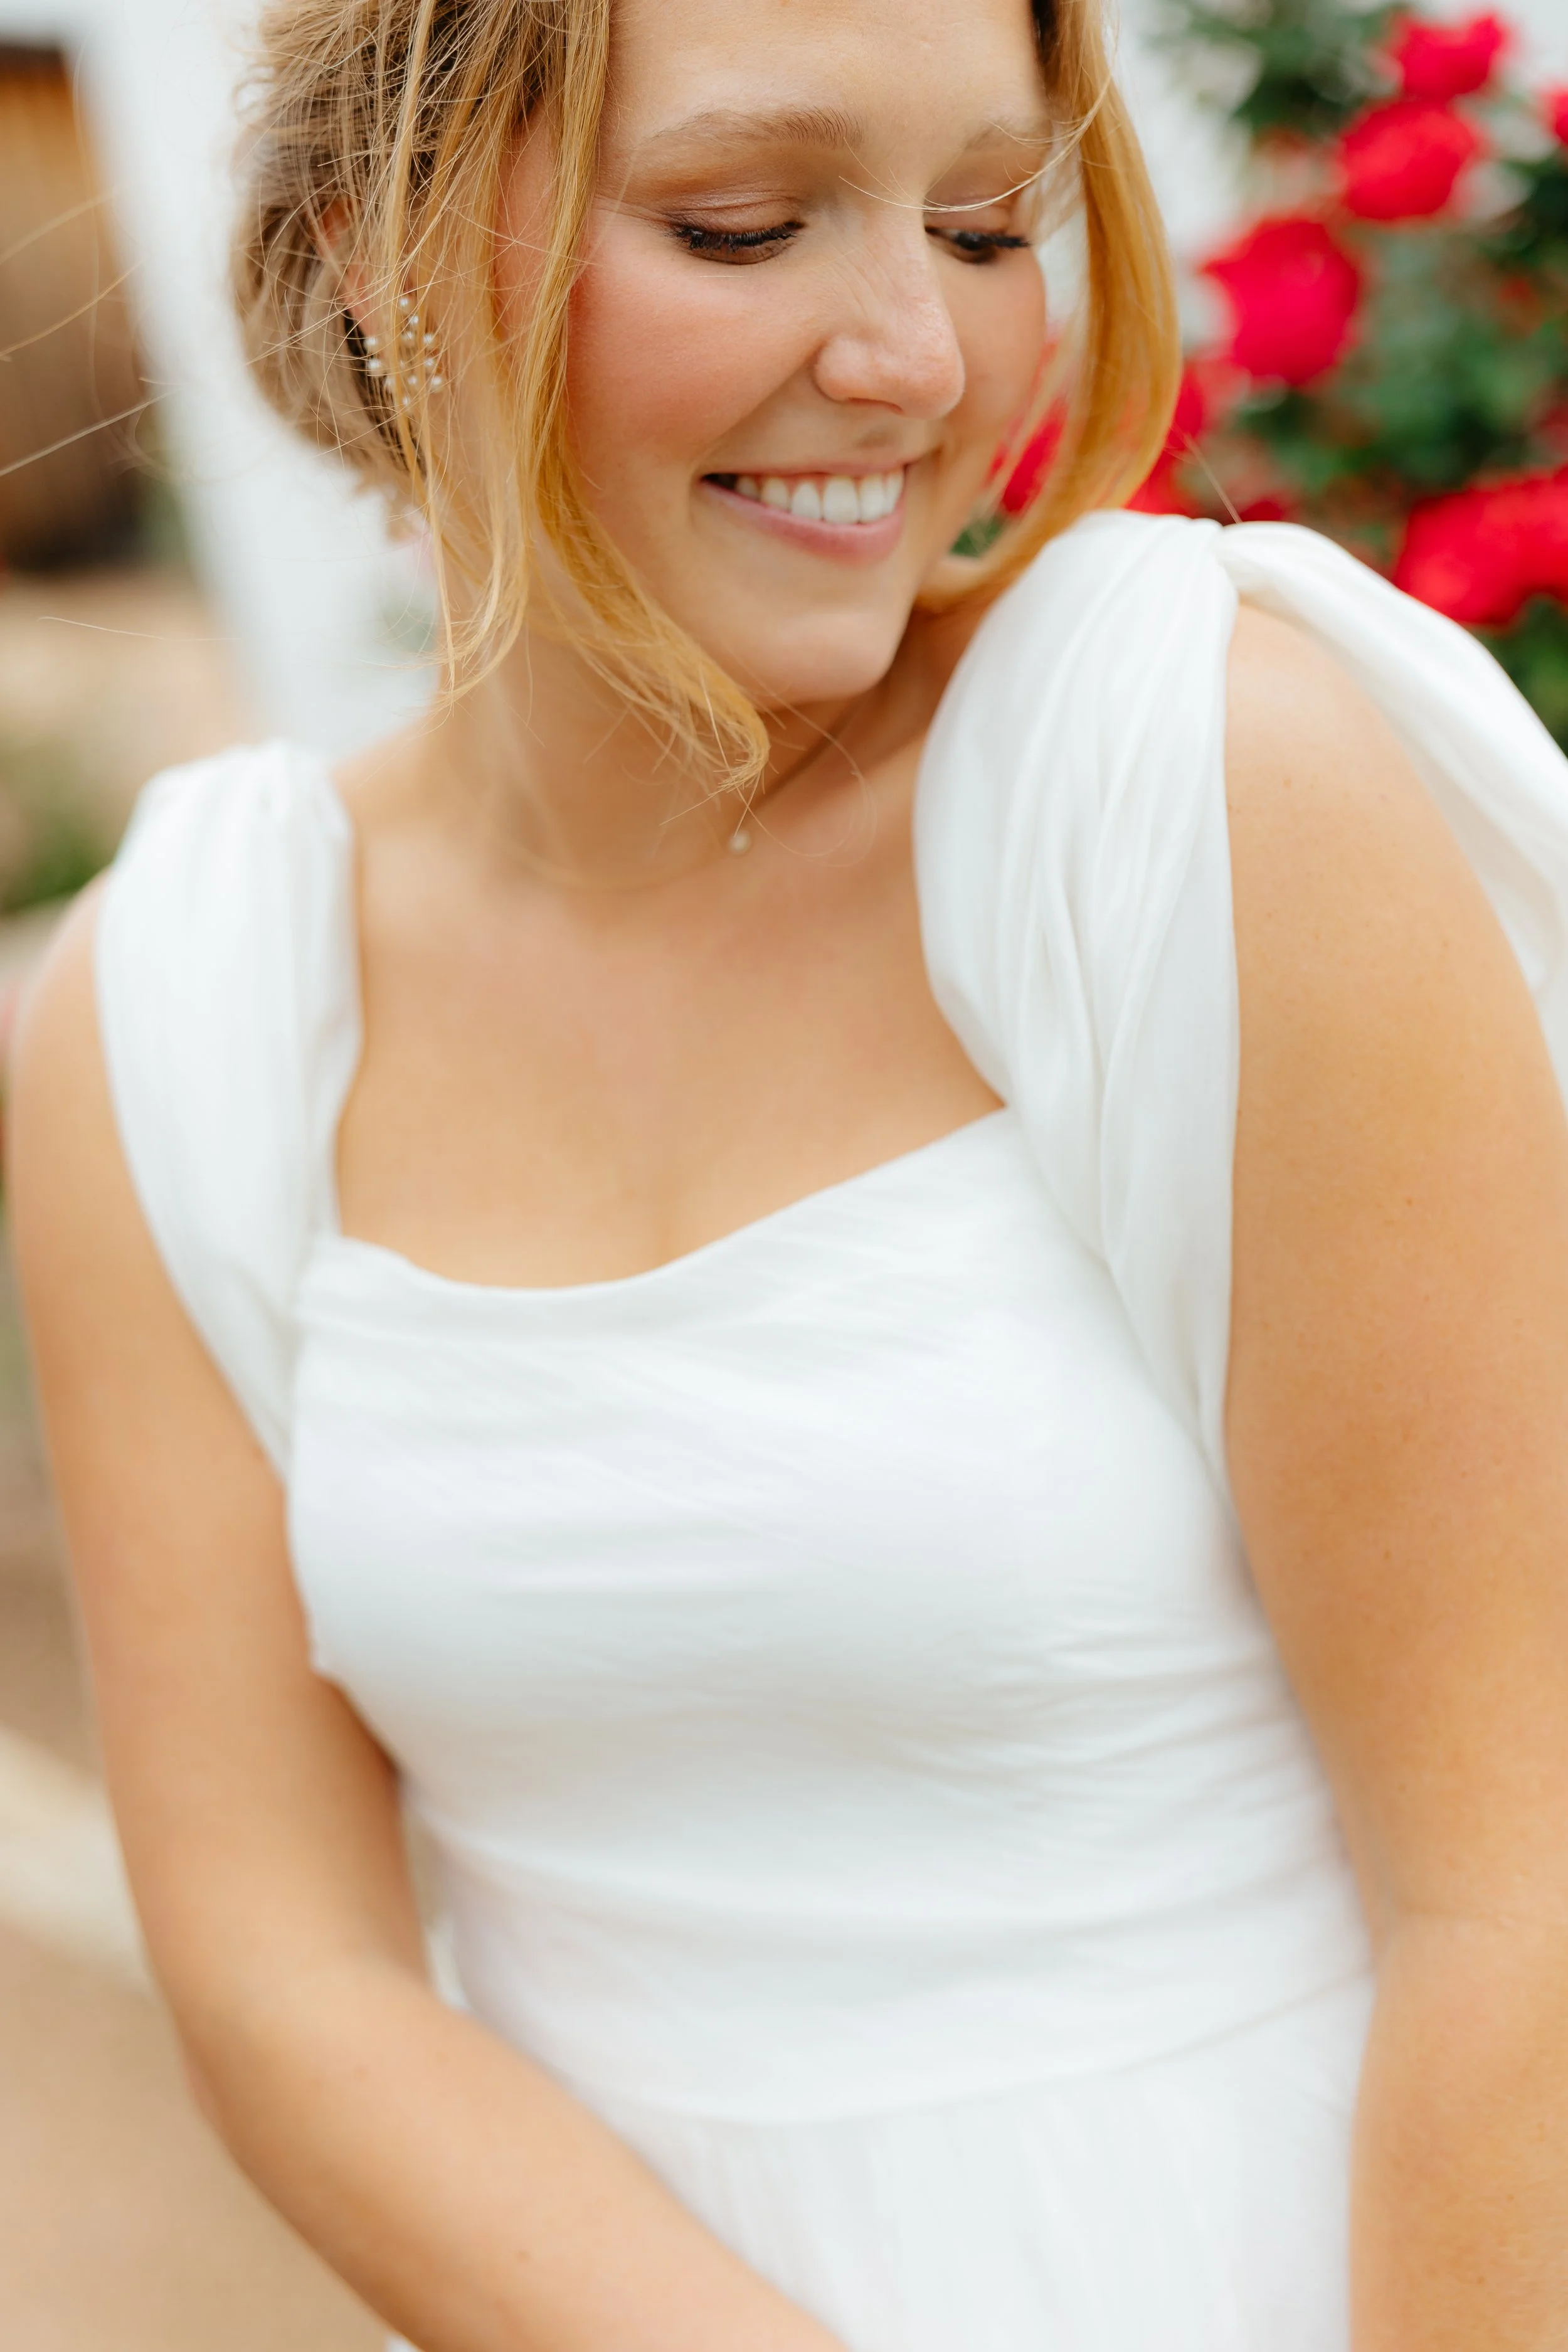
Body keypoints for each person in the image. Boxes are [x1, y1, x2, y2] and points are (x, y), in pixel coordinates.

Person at [11, 0, 1568, 2344]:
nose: (919, 358)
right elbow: (286, 1979)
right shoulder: (184, 1000)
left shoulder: (1185, 781)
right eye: (744, 225)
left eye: (985, 223)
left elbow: (1517, 1892)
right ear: (372, 252)